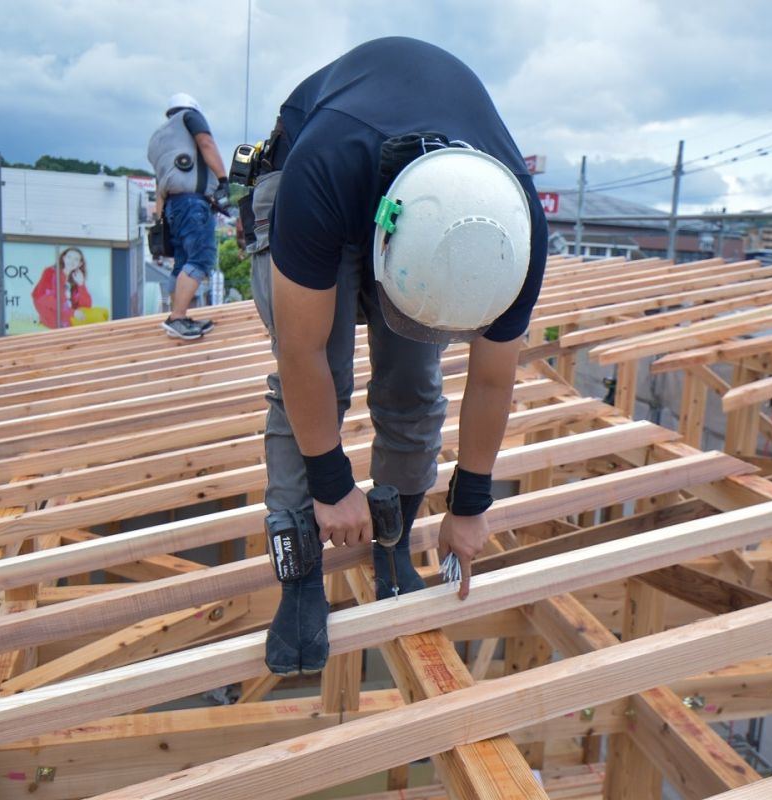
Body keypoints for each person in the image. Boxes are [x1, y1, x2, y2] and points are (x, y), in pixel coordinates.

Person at [248, 37, 547, 676]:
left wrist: (469, 507)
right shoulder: (321, 172)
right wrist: (331, 485)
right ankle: (299, 575)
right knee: (320, 379)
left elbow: (493, 382)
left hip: (413, 202)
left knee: (413, 378)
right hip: (312, 177)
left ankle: (392, 547)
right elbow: (299, 354)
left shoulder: (514, 233)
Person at [147, 92, 230, 340]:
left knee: (182, 263)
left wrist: (160, 218)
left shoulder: (158, 137)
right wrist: (223, 179)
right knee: (202, 257)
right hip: (192, 203)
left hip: (173, 205)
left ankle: (179, 316)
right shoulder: (190, 118)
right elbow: (206, 143)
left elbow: (160, 182)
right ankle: (178, 318)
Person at [32, 246, 94, 329]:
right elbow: (45, 298)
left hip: (68, 320)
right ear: (64, 258)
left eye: (76, 259)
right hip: (52, 319)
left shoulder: (75, 279)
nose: (71, 261)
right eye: (69, 257)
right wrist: (72, 312)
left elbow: (86, 306)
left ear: (80, 264)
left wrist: (81, 285)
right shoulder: (50, 272)